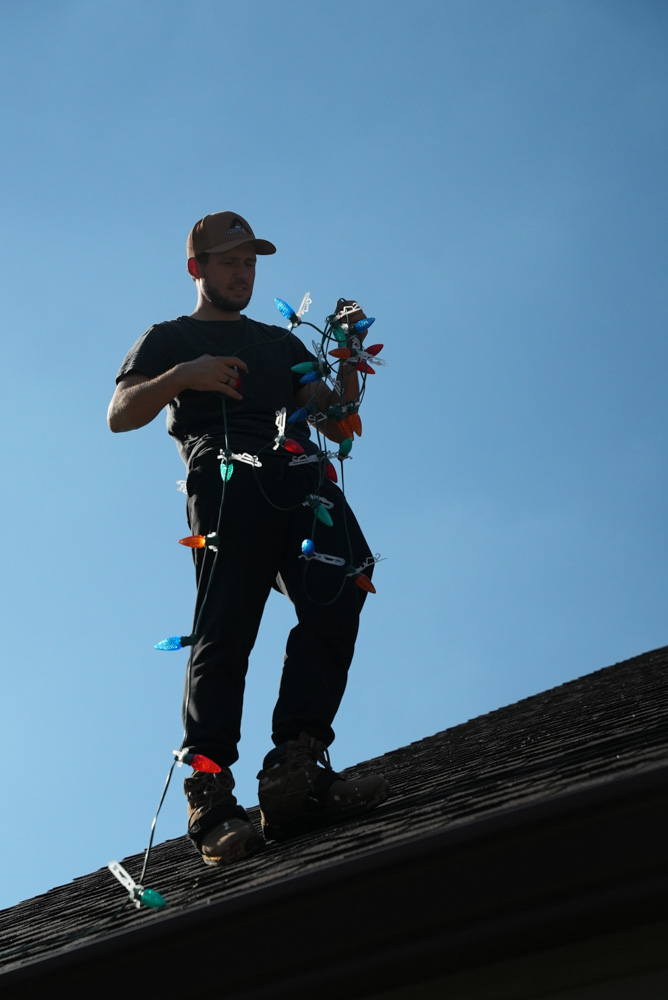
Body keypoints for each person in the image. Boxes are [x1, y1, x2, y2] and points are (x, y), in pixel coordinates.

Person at [108, 211, 389, 866]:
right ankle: (210, 797)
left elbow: (336, 423)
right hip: (224, 475)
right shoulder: (170, 338)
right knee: (226, 626)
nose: (242, 273)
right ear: (196, 268)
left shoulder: (278, 344)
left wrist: (348, 361)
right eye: (230, 261)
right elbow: (121, 413)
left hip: (295, 472)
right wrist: (185, 375)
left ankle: (293, 771)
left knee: (347, 577)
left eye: (250, 263)